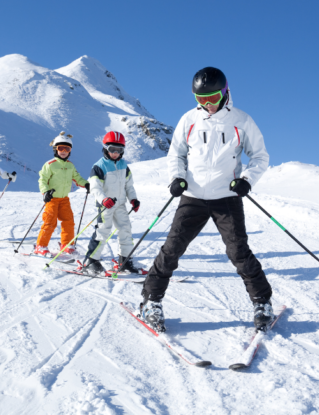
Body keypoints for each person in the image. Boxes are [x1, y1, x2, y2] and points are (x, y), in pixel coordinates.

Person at [141, 67, 273, 332]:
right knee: (172, 249)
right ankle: (151, 301)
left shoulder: (242, 120)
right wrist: (177, 178)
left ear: (224, 92)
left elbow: (260, 156)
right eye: (200, 100)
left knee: (238, 252)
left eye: (212, 98)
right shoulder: (189, 119)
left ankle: (262, 302)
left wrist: (246, 180)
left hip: (226, 197)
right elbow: (175, 154)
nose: (207, 105)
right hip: (193, 196)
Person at [81, 131, 143, 274]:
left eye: (119, 150)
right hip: (106, 205)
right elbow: (95, 187)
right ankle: (90, 260)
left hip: (120, 204)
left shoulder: (123, 165)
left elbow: (129, 185)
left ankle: (125, 260)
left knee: (126, 229)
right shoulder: (99, 166)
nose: (115, 153)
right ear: (105, 148)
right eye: (112, 149)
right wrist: (104, 199)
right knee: (103, 230)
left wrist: (133, 199)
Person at [35, 132, 89, 256]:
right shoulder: (50, 165)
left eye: (67, 148)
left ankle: (66, 244)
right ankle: (41, 245)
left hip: (64, 199)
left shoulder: (70, 165)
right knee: (50, 222)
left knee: (68, 221)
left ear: (70, 151)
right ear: (55, 149)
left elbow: (77, 178)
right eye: (60, 148)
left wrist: (86, 184)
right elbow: (42, 179)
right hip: (52, 199)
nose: (64, 151)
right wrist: (45, 192)